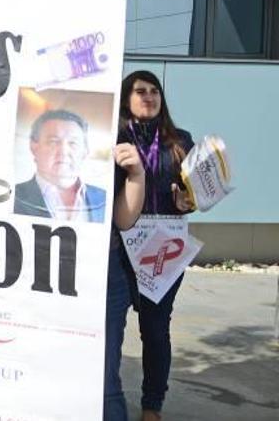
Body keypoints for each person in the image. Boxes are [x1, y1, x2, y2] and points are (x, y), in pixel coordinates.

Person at [110, 71, 196, 421]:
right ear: (126, 99)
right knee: (111, 326)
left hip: (164, 250)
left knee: (156, 331)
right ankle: (105, 399)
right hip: (119, 249)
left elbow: (193, 196)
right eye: (140, 91)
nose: (149, 96)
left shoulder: (181, 141)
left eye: (155, 91)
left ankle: (151, 407)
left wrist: (186, 201)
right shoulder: (114, 139)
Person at [106, 128, 149, 420]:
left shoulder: (111, 135)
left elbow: (123, 219)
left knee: (104, 379)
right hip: (30, 272)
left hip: (104, 274)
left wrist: (136, 175)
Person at [13, 109, 107, 222]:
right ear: (33, 147)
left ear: (85, 151)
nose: (63, 151)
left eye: (73, 143)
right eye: (53, 142)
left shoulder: (104, 199)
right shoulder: (12, 197)